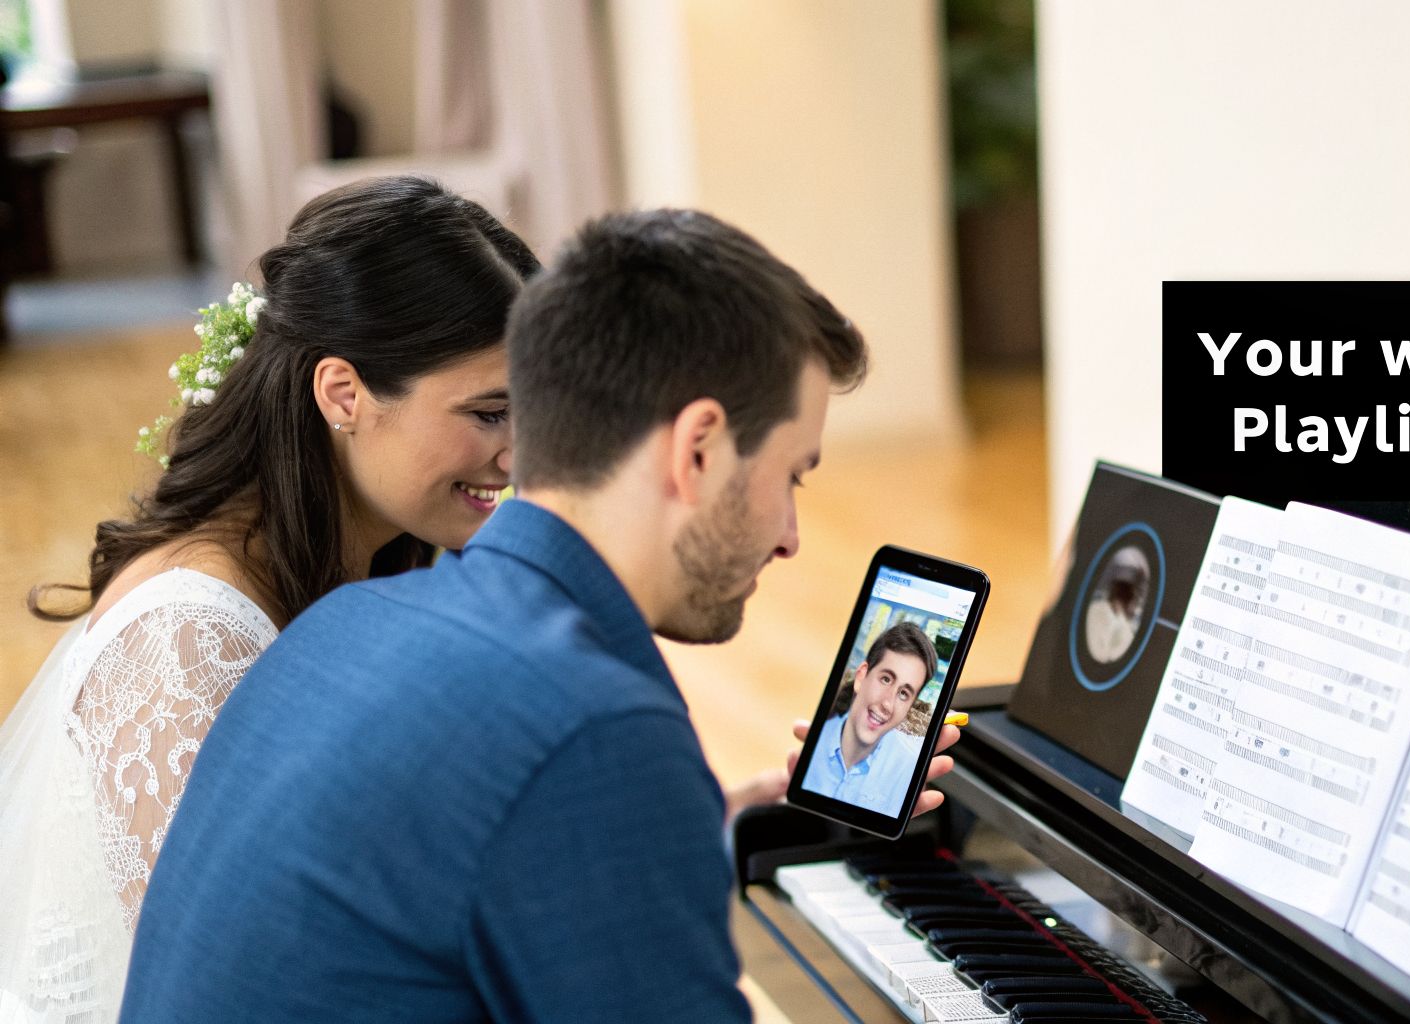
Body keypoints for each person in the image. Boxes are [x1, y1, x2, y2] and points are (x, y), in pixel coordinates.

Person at [120, 208, 960, 1022]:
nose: (790, 537)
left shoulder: (338, 627)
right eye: (792, 476)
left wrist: (697, 833)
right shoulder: (591, 727)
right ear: (697, 448)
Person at [0, 176, 538, 1023]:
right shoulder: (185, 644)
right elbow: (248, 987)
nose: (517, 456)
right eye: (488, 413)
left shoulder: (349, 566)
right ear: (343, 394)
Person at [802, 621, 940, 814]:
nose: (887, 704)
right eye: (886, 679)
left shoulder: (907, 770)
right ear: (861, 677)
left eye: (903, 694)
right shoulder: (816, 739)